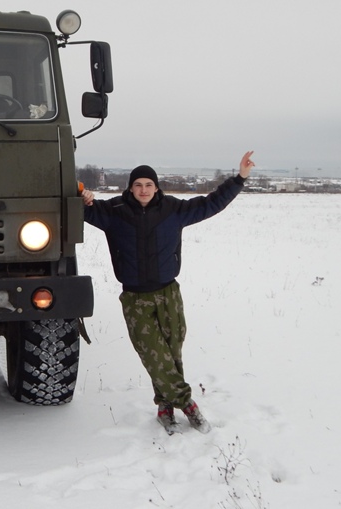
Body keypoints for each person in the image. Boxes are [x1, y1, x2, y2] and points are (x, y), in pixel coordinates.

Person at [80, 151, 255, 434]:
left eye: (148, 184)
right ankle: (188, 405)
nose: (143, 190)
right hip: (136, 298)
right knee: (154, 356)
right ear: (130, 187)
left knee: (172, 355)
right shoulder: (112, 212)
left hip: (169, 294)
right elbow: (81, 210)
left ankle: (164, 407)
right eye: (138, 185)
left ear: (156, 187)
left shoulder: (174, 210)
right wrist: (83, 198)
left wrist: (240, 178)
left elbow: (212, 204)